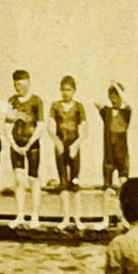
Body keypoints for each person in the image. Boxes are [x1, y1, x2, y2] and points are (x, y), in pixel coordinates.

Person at [49, 76, 86, 229]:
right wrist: (56, 141)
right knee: (63, 183)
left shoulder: (78, 107)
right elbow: (50, 126)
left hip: (74, 147)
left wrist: (76, 144)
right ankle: (65, 218)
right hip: (60, 147)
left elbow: (84, 129)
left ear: (74, 91)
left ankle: (77, 218)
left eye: (68, 90)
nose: (65, 93)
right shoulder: (55, 106)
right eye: (63, 90)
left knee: (75, 183)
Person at [96, 83, 133, 229]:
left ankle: (124, 218)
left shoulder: (126, 113)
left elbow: (127, 102)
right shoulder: (106, 111)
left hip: (122, 156)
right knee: (106, 187)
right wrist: (110, 88)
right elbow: (96, 102)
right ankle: (105, 219)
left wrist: (118, 89)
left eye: (116, 95)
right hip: (109, 156)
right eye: (112, 95)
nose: (114, 98)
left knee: (123, 187)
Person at [4, 104, 46, 229]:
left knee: (33, 179)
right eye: (17, 84)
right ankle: (20, 215)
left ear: (27, 83)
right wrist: (13, 144)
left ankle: (35, 215)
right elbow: (7, 125)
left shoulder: (36, 101)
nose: (19, 87)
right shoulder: (12, 101)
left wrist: (28, 145)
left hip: (32, 145)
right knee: (18, 179)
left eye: (22, 83)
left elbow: (40, 126)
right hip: (16, 144)